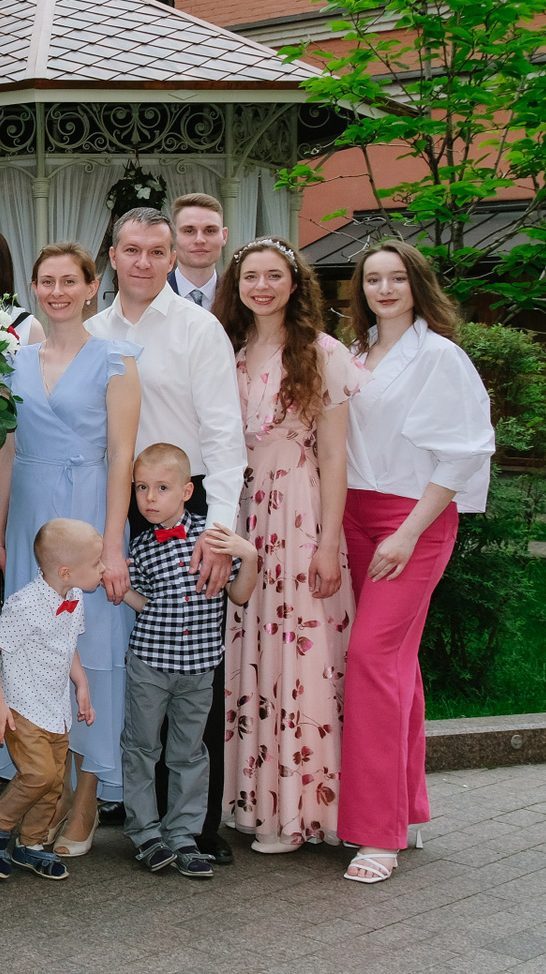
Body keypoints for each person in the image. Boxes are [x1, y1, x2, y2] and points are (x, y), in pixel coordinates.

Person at [83, 207, 247, 863]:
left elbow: (225, 437)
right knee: (128, 651)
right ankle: (138, 815)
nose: (144, 262)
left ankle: (195, 828)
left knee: (193, 664)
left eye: (157, 251)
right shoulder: (92, 331)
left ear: (173, 258)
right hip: (117, 499)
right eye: (132, 250)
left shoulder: (197, 330)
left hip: (188, 500)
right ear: (113, 256)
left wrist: (220, 531)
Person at [340, 242, 494, 883]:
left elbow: (465, 453)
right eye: (373, 279)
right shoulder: (352, 352)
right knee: (396, 665)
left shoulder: (440, 357)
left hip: (415, 521)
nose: (384, 288)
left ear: (417, 284)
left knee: (370, 660)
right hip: (353, 516)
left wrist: (406, 534)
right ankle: (404, 812)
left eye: (397, 278)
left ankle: (378, 836)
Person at [214, 237, 368, 854]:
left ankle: (300, 810)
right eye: (251, 276)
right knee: (249, 644)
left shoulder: (322, 353)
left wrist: (328, 545)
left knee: (298, 652)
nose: (262, 286)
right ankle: (255, 801)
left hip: (299, 511)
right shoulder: (228, 350)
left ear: (296, 283)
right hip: (244, 510)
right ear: (237, 285)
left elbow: (335, 456)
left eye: (274, 275)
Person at [0, 243, 140, 858]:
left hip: (90, 512)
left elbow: (123, 457)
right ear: (34, 288)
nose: (57, 292)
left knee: (92, 649)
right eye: (46, 282)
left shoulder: (117, 360)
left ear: (91, 286)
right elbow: (4, 452)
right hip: (31, 514)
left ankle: (86, 798)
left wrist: (113, 547)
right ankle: (41, 785)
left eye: (69, 281)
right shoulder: (12, 361)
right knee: (34, 651)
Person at [118, 443, 256, 879]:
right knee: (141, 749)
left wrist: (250, 555)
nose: (150, 498)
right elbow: (144, 602)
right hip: (150, 663)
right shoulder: (141, 545)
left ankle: (183, 835)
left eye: (162, 488)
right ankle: (145, 833)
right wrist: (121, 590)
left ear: (186, 491)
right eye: (142, 488)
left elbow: (239, 595)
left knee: (189, 754)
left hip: (199, 668)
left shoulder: (213, 539)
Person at [0, 519, 103, 882]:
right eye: (96, 563)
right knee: (39, 774)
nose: (103, 568)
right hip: (23, 707)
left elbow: (68, 645)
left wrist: (81, 684)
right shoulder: (27, 604)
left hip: (55, 710)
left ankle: (31, 843)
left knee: (54, 782)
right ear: (66, 571)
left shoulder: (73, 598)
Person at [167, 193, 228, 309]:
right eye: (189, 231)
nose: (200, 240)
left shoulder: (239, 298)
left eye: (210, 231)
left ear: (224, 236)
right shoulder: (152, 296)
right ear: (172, 237)